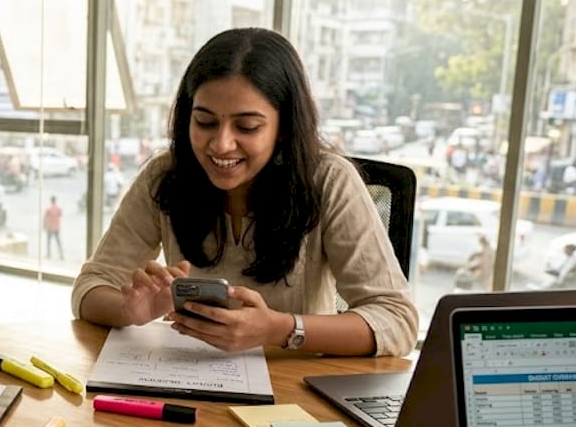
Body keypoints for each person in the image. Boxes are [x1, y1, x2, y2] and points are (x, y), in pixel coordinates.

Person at [72, 28, 417, 357]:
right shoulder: (166, 174)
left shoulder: (328, 181)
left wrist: (280, 330)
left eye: (247, 126)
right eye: (205, 122)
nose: (220, 144)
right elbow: (90, 288)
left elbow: (397, 321)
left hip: (292, 396)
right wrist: (131, 310)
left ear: (284, 127)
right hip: (189, 385)